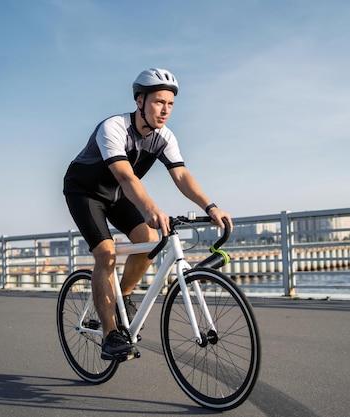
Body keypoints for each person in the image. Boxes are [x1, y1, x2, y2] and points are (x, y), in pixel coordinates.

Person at [63, 68, 233, 361]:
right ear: (139, 101)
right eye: (158, 102)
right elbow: (127, 177)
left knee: (148, 238)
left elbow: (180, 175)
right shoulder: (113, 128)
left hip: (117, 196)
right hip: (85, 193)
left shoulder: (164, 137)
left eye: (170, 104)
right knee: (106, 255)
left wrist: (210, 206)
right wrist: (151, 208)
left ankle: (122, 297)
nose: (165, 110)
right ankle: (110, 335)